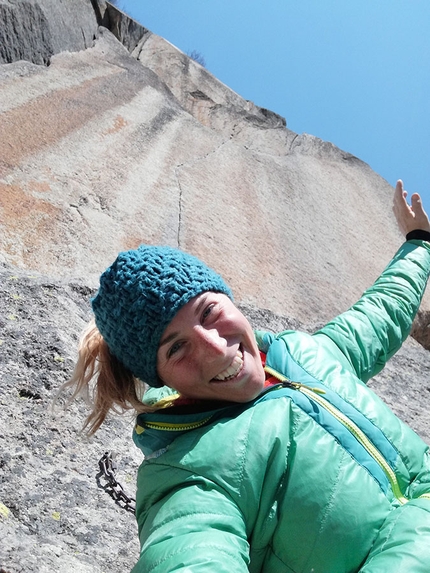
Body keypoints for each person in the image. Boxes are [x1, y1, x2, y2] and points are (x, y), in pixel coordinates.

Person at [64, 180, 430, 572]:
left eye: (207, 312)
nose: (216, 348)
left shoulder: (306, 353)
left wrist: (419, 241)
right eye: (175, 347)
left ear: (228, 298)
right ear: (159, 376)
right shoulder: (187, 470)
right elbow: (188, 550)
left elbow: (381, 311)